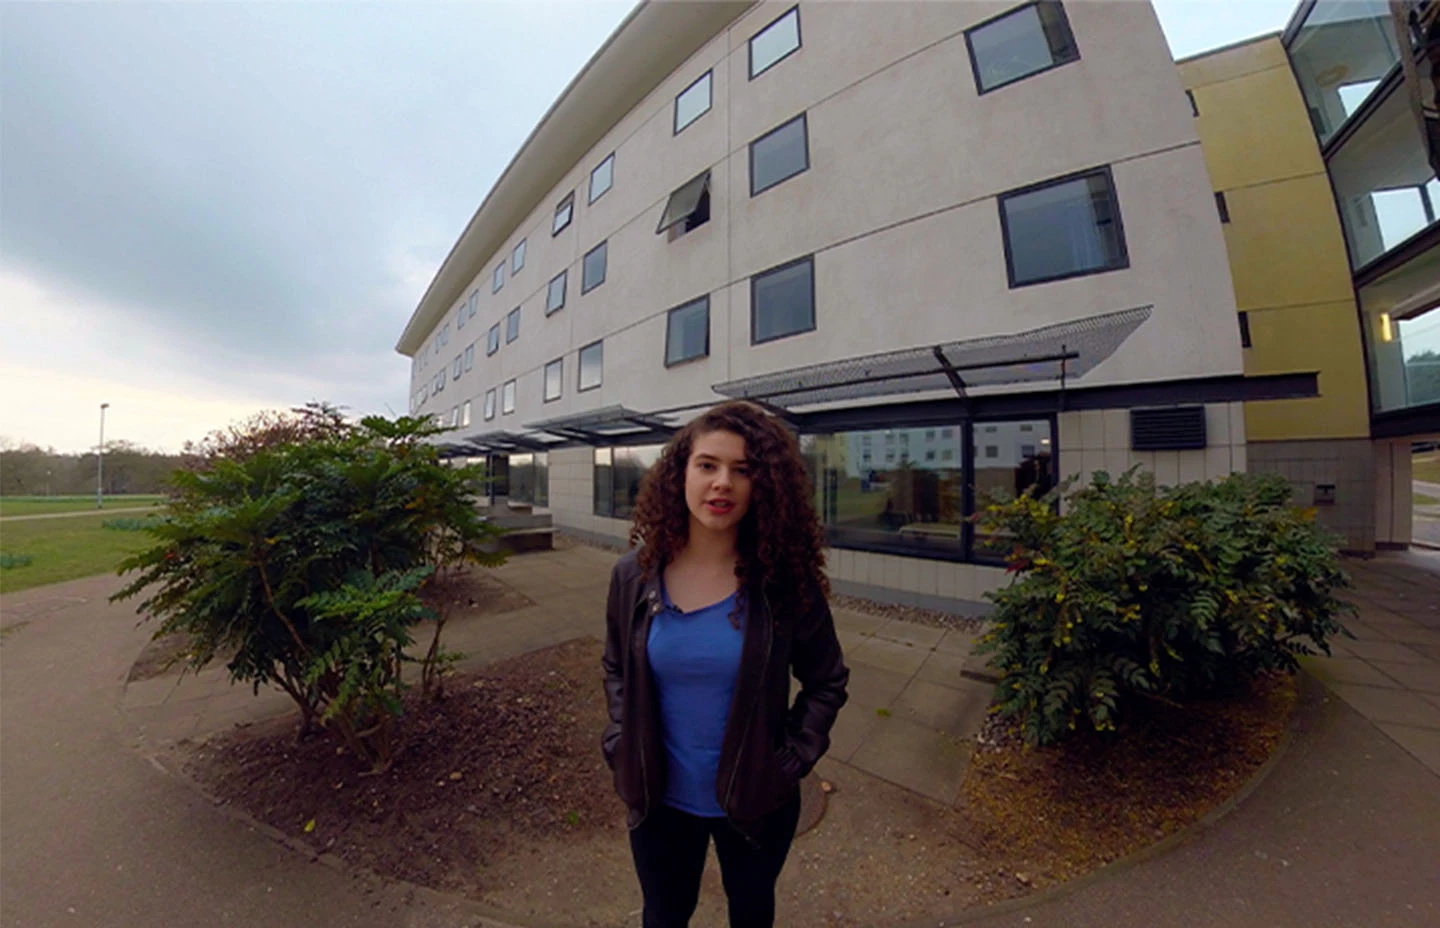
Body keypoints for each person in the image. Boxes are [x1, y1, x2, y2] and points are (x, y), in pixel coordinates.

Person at [601, 400, 849, 928]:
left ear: (765, 486)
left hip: (757, 800)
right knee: (664, 916)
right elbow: (616, 666)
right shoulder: (633, 576)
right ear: (680, 473)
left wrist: (790, 761)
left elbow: (826, 680)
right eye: (708, 465)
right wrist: (621, 740)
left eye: (743, 470)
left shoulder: (785, 583)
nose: (723, 483)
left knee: (752, 914)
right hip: (659, 799)